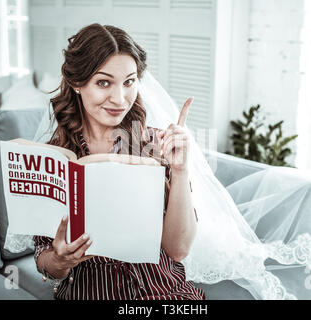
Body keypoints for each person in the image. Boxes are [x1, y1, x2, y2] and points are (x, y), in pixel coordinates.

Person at [32, 23, 205, 300]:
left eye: (129, 82)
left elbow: (178, 250)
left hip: (165, 295)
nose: (119, 98)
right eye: (104, 82)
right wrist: (60, 261)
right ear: (77, 83)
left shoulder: (155, 144)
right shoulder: (53, 159)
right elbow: (44, 260)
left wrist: (181, 171)